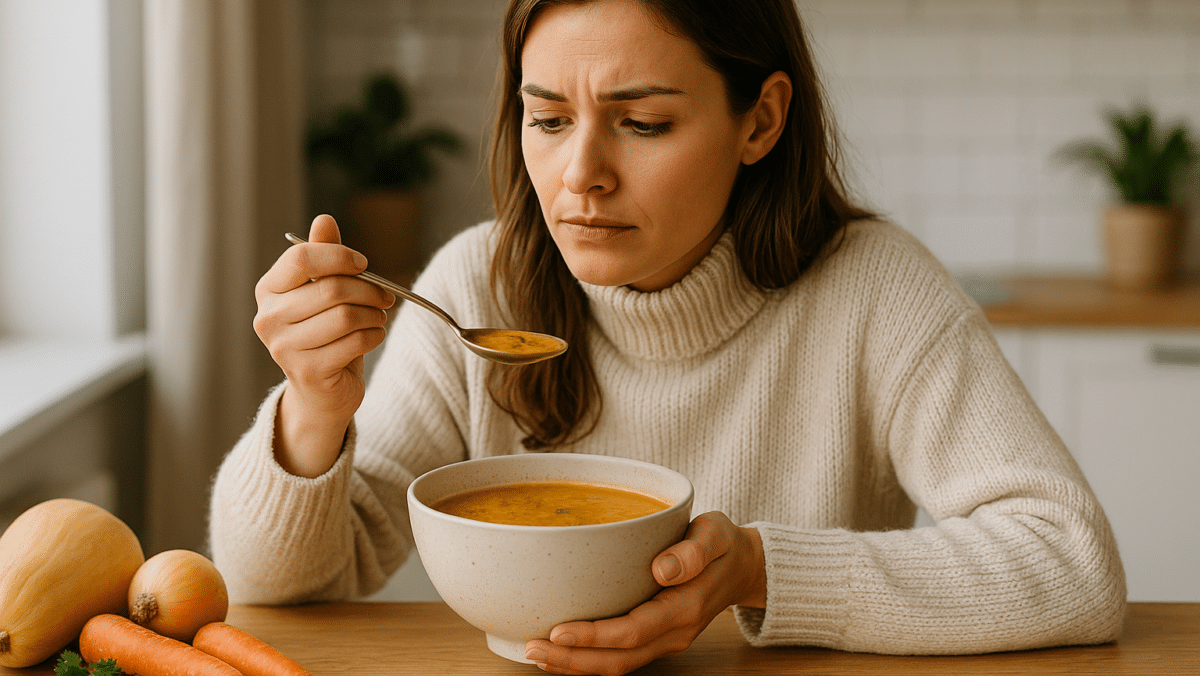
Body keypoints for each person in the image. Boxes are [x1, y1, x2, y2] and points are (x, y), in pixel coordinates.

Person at [209, 0, 1126, 673]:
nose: (580, 176)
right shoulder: (475, 285)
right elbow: (275, 589)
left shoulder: (874, 292)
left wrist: (759, 570)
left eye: (642, 122)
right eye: (548, 119)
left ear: (760, 120)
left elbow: (1072, 565)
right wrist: (315, 405)